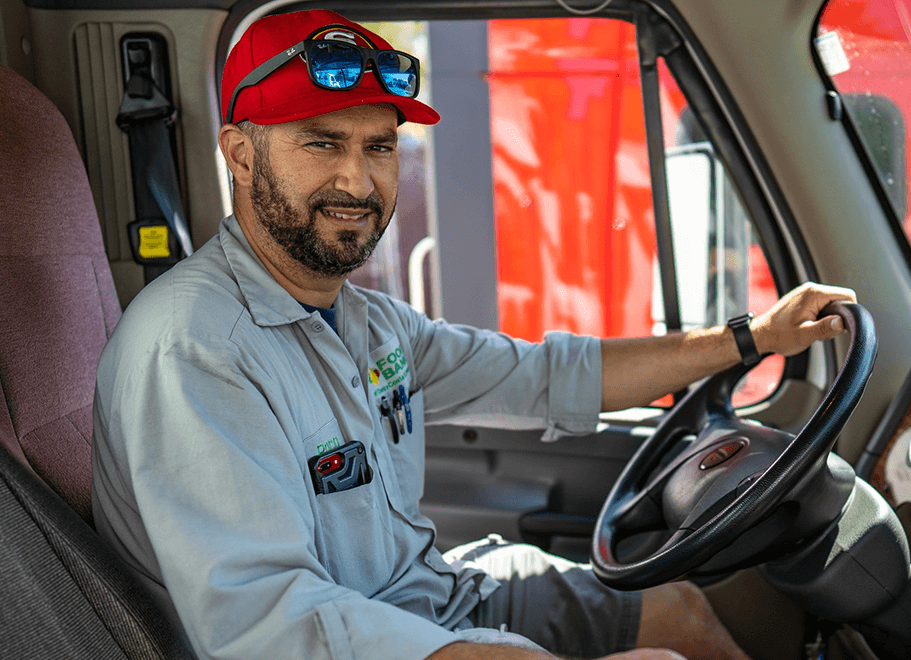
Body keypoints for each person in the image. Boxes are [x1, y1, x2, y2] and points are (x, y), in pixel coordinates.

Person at [91, 9, 857, 660]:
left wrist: (749, 338)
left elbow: (544, 376)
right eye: (322, 143)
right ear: (240, 153)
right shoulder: (196, 348)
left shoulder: (364, 320)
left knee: (679, 611)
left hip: (431, 597)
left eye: (379, 146)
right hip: (370, 638)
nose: (358, 183)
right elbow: (276, 626)